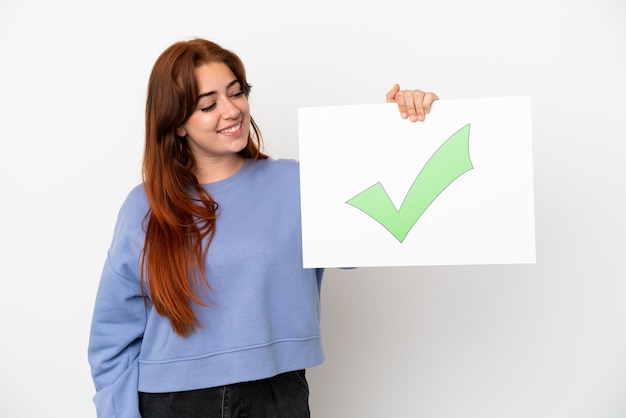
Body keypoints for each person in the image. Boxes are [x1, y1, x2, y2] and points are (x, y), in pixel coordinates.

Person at [88, 37, 438, 418]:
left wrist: (396, 130)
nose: (231, 110)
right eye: (208, 105)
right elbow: (112, 337)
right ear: (177, 125)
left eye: (236, 93)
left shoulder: (294, 183)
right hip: (171, 401)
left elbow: (374, 233)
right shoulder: (144, 206)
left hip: (275, 394)